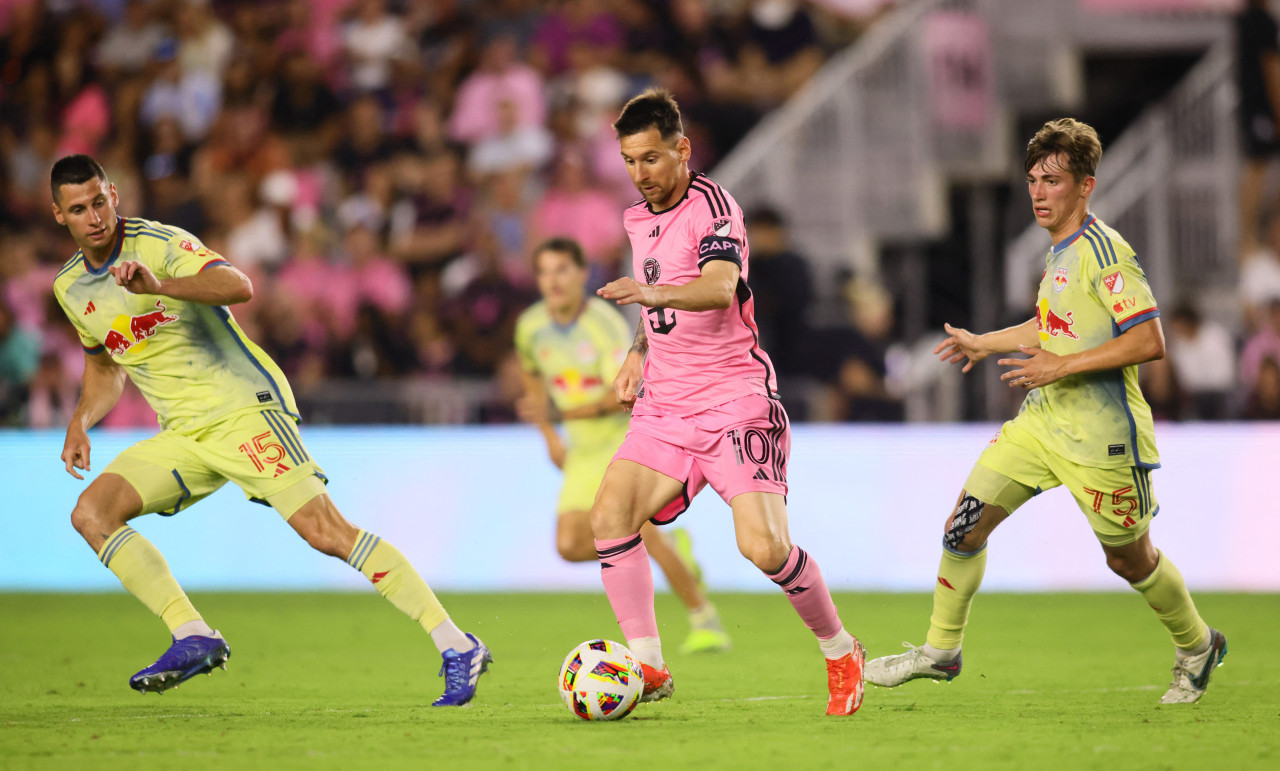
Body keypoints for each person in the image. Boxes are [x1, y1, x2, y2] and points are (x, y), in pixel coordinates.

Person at [48, 154, 492, 705]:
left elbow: (238, 286)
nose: (93, 217)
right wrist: (80, 420)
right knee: (91, 513)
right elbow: (105, 366)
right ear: (58, 215)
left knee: (326, 532)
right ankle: (193, 635)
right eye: (78, 209)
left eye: (98, 201)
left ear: (114, 195)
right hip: (183, 434)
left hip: (243, 409)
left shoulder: (158, 244)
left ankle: (456, 644)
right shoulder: (70, 288)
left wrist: (160, 284)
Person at [864, 119, 1227, 704]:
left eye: (1052, 180)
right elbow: (1053, 325)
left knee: (1129, 559)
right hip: (1040, 425)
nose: (1038, 191)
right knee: (963, 526)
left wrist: (1058, 366)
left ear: (1085, 185)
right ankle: (941, 650)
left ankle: (1197, 643)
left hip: (1103, 437)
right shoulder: (1058, 253)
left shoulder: (1106, 253)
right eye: (1033, 179)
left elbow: (1148, 340)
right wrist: (987, 342)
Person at [592, 88, 866, 716]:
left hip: (734, 398)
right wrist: (639, 349)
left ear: (683, 149)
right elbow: (654, 296)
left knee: (765, 550)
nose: (642, 174)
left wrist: (647, 295)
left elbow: (718, 289)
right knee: (608, 519)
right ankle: (650, 666)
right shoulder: (638, 217)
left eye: (653, 159)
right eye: (631, 162)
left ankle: (839, 648)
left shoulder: (716, 208)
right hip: (665, 403)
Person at [514, 236, 731, 655]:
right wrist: (549, 435)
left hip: (623, 439)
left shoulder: (604, 325)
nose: (553, 281)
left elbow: (624, 395)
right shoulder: (531, 326)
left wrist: (563, 417)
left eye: (562, 270)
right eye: (544, 272)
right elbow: (529, 372)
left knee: (639, 533)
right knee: (570, 545)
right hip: (581, 450)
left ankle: (705, 620)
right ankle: (674, 550)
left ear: (581, 274)